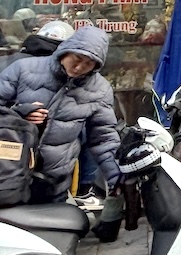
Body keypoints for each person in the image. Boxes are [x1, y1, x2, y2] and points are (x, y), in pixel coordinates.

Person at [0, 27, 121, 204]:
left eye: (89, 64)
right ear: (65, 51)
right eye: (77, 59)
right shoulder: (24, 69)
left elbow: (103, 139)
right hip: (8, 175)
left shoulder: (100, 90)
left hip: (53, 182)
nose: (79, 67)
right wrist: (19, 115)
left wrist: (117, 178)